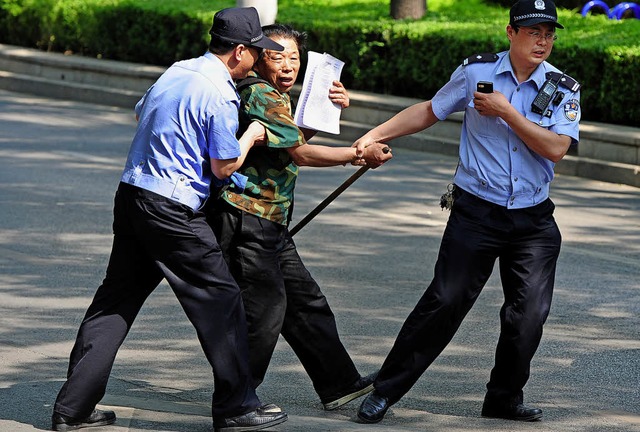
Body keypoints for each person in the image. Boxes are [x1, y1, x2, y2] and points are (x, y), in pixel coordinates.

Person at [51, 7, 289, 432]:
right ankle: (236, 409)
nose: (258, 62)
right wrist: (252, 135)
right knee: (222, 300)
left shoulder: (179, 70)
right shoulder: (219, 93)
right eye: (257, 53)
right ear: (238, 52)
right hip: (172, 209)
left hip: (132, 195)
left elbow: (142, 112)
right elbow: (222, 166)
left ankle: (73, 408)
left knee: (114, 303)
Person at [355, 0, 581, 424]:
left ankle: (504, 397)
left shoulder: (564, 88)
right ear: (511, 33)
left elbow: (557, 148)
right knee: (444, 301)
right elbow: (430, 109)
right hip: (476, 212)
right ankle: (385, 390)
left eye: (550, 33)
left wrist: (507, 112)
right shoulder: (476, 72)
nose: (543, 41)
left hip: (532, 219)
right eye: (534, 32)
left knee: (529, 314)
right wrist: (373, 134)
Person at [206, 24, 392, 411]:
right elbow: (301, 154)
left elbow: (291, 140)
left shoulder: (274, 96)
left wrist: (327, 107)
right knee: (263, 313)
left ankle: (340, 383)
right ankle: (237, 399)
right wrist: (359, 154)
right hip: (247, 217)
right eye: (278, 57)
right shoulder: (259, 92)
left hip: (270, 220)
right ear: (258, 56)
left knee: (306, 302)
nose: (289, 66)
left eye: (295, 58)